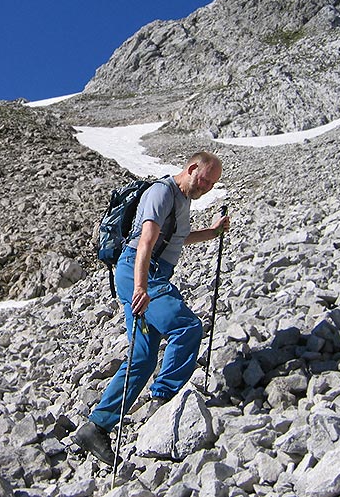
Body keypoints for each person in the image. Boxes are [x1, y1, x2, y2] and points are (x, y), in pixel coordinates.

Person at [73, 151, 230, 465]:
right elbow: (146, 241)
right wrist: (142, 287)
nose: (207, 187)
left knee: (143, 357)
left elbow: (176, 238)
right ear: (192, 167)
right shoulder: (162, 192)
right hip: (140, 272)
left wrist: (212, 233)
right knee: (186, 327)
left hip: (147, 273)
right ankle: (165, 399)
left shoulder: (182, 200)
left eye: (212, 185)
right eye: (205, 179)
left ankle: (96, 426)